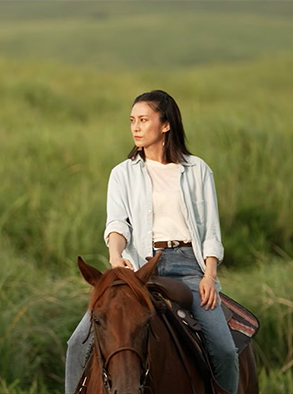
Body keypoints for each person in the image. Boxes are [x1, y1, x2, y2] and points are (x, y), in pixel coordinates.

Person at [65, 90, 239, 394]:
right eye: (132, 120)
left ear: (166, 124)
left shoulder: (197, 170)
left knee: (224, 350)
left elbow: (211, 230)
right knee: (76, 344)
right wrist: (115, 256)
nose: (135, 127)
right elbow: (117, 224)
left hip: (189, 269)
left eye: (143, 120)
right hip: (140, 271)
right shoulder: (122, 174)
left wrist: (210, 276)